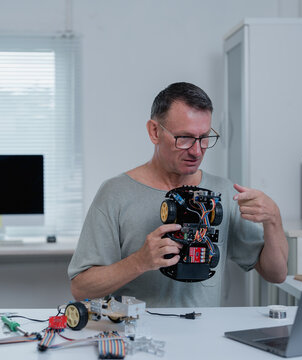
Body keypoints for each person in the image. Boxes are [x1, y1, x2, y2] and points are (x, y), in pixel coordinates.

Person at [68, 82, 288, 307]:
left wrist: (273, 219)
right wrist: (140, 262)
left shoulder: (221, 193)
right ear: (155, 131)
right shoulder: (115, 194)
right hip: (139, 336)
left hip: (204, 336)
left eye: (204, 137)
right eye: (184, 138)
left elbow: (276, 274)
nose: (197, 150)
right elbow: (81, 288)